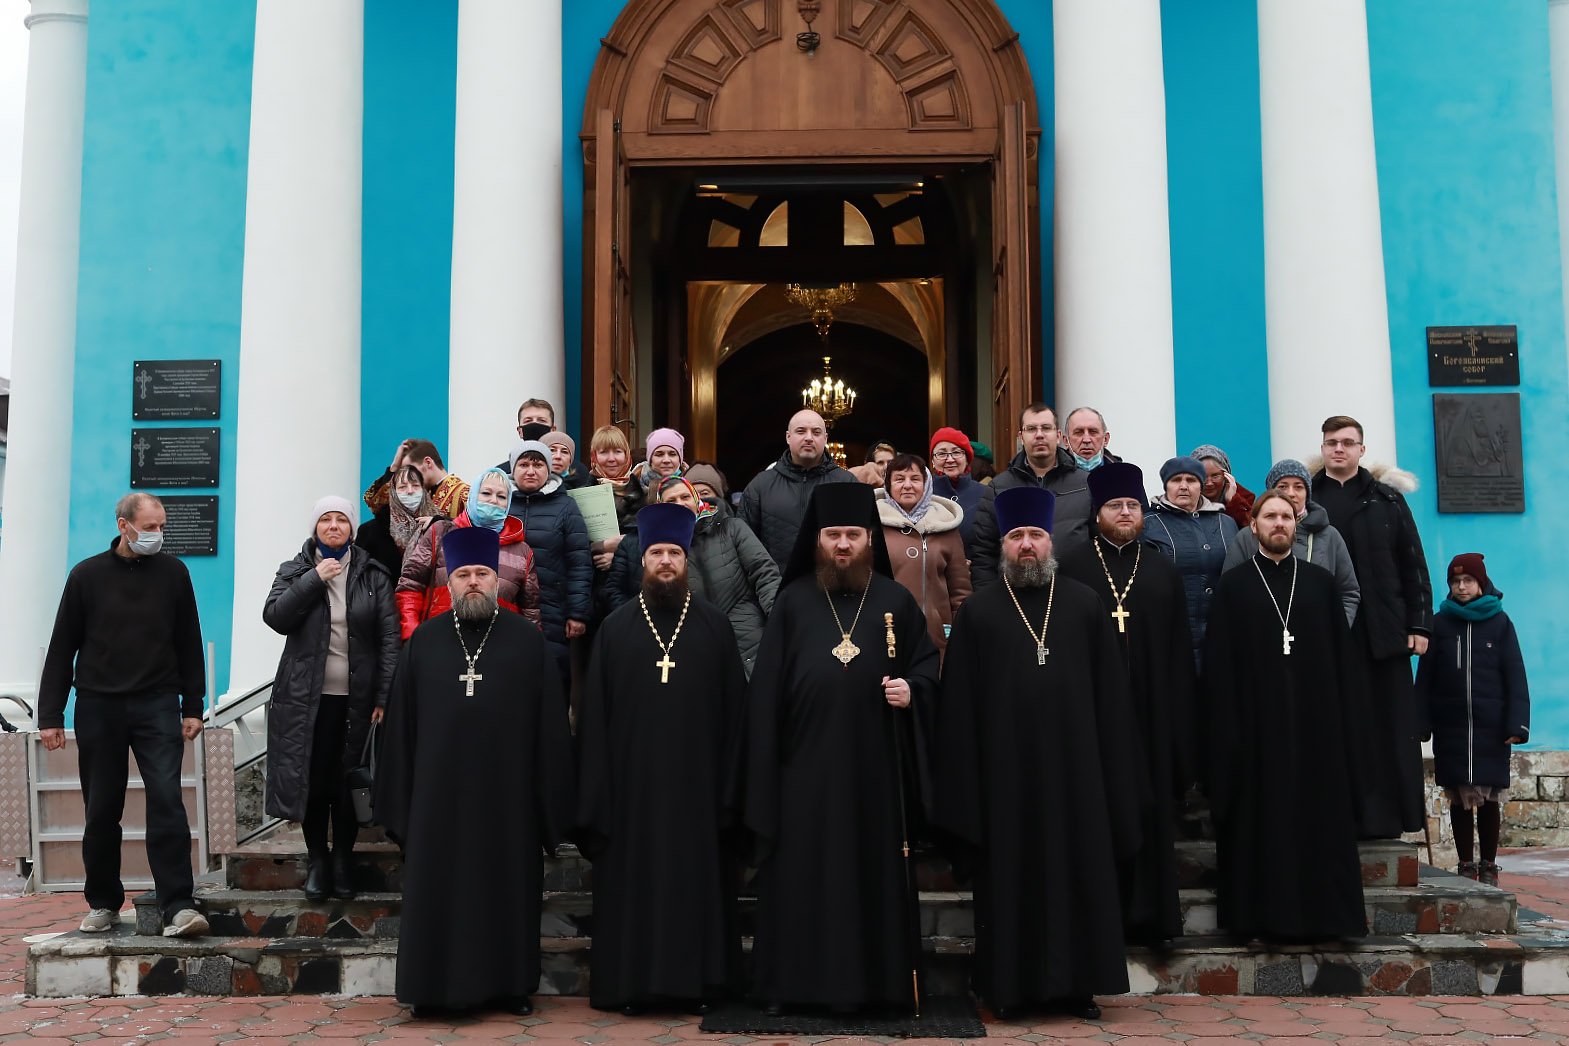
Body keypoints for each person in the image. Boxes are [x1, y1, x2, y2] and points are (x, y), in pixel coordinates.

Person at [931, 486, 1141, 1020]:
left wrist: (1113, 774)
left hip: (1078, 777)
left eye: (1036, 536)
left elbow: (1111, 699)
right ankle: (1009, 991)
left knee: (1079, 877)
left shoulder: (1084, 604)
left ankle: (1079, 988)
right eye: (1017, 536)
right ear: (1003, 545)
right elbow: (959, 712)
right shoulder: (978, 612)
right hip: (1006, 782)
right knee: (1012, 883)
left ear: (1052, 543)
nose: (1027, 545)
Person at [746, 483, 940, 1015]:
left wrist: (912, 691)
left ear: (869, 540)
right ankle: (791, 989)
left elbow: (925, 668)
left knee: (871, 879)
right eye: (834, 535)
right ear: (818, 540)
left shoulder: (895, 600)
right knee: (801, 879)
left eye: (853, 535)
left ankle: (879, 988)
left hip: (876, 773)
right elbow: (766, 693)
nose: (843, 545)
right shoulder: (792, 602)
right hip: (802, 774)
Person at [375, 526, 576, 1019]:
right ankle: (431, 989)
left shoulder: (528, 643)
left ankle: (509, 986)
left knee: (506, 888)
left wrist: (548, 802)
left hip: (507, 800)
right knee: (436, 891)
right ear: (446, 581)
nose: (471, 583)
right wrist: (399, 803)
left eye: (481, 574)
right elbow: (401, 729)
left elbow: (550, 729)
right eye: (462, 574)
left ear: (498, 580)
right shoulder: (423, 641)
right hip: (436, 800)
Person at [576, 504, 748, 1014]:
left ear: (687, 558)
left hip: (699, 793)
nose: (667, 561)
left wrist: (728, 792)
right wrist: (598, 794)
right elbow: (593, 720)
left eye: (675, 552)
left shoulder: (716, 628)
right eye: (657, 553)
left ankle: (700, 985)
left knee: (697, 889)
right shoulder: (615, 629)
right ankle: (634, 986)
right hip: (631, 797)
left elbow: (736, 716)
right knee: (635, 890)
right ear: (643, 560)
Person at [38, 493, 209, 938]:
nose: (157, 534)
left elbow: (190, 641)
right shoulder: (87, 576)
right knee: (101, 810)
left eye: (161, 527)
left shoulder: (174, 573)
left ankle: (178, 904)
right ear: (124, 525)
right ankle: (103, 902)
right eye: (150, 526)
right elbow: (62, 647)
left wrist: (194, 705)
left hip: (157, 703)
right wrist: (50, 714)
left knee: (167, 800)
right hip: (98, 705)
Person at [1202, 492, 1366, 942]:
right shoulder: (1234, 586)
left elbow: (1341, 663)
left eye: (1287, 517)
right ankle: (1260, 921)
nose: (1279, 523)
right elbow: (1220, 667)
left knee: (1319, 823)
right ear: (1252, 526)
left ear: (1297, 525)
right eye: (1270, 516)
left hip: (1316, 732)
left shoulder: (1319, 583)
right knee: (1262, 824)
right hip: (1256, 733)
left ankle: (1327, 920)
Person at [1058, 463, 1195, 945]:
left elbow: (1179, 651)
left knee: (1150, 813)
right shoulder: (1071, 566)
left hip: (1151, 717)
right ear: (1097, 513)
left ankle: (1150, 917)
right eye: (1115, 506)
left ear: (1143, 512)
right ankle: (1099, 920)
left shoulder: (1161, 568)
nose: (1124, 513)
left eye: (1132, 506)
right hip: (1091, 719)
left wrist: (1181, 724)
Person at [262, 497, 399, 901]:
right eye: (326, 519)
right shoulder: (296, 570)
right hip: (307, 700)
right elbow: (276, 617)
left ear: (353, 529)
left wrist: (384, 694)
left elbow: (388, 639)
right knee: (314, 781)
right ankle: (317, 860)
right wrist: (314, 579)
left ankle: (343, 859)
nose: (334, 526)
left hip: (356, 700)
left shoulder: (373, 574)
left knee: (348, 782)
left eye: (342, 519)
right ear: (315, 528)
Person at [1311, 414, 1432, 838]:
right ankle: (1336, 813)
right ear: (1323, 448)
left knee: (1386, 727)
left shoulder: (1387, 500)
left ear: (1362, 449)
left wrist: (1420, 625)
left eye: (1347, 442)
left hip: (1383, 631)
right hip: (1327, 629)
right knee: (1337, 722)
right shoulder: (1306, 500)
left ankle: (1388, 819)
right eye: (1331, 442)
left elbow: (1412, 563)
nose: (1338, 449)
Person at [1416, 554, 1529, 887]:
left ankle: (1490, 865)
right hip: (1451, 727)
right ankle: (1466, 864)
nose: (1461, 587)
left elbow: (1516, 677)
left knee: (1490, 797)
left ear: (1481, 583)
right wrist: (1419, 723)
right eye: (1455, 581)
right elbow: (1425, 680)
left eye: (1468, 581)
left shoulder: (1501, 623)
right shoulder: (1440, 624)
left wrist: (1517, 724)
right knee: (1460, 797)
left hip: (1491, 727)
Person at [602, 476, 780, 676]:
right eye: (671, 501)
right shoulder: (664, 552)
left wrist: (778, 619)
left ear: (696, 499)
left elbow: (764, 573)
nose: (680, 504)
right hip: (694, 639)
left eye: (685, 496)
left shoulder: (731, 528)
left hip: (749, 636)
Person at [396, 468, 541, 639]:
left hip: (498, 645)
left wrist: (530, 647)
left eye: (501, 496)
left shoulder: (522, 551)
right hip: (440, 640)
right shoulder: (441, 532)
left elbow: (530, 610)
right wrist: (412, 635)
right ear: (472, 496)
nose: (493, 501)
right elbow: (410, 586)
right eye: (486, 493)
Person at [1223, 459, 1359, 627]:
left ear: (1307, 493)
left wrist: (1336, 631)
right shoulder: (1247, 536)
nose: (1291, 493)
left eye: (1298, 486)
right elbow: (1229, 590)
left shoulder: (1330, 536)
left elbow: (1348, 592)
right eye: (1283, 486)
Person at [977, 403, 1095, 584]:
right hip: (1015, 598)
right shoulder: (998, 488)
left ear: (1058, 436)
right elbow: (983, 553)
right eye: (1031, 429)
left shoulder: (1086, 484)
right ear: (1021, 437)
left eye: (1046, 428)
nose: (1039, 434)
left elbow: (1100, 546)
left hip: (1077, 593)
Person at [509, 440, 593, 688]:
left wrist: (577, 613)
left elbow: (579, 560)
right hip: (507, 606)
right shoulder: (500, 502)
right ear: (513, 469)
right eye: (523, 464)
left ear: (548, 470)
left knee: (553, 678)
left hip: (552, 609)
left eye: (538, 464)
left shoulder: (565, 505)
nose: (531, 471)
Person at [1144, 456, 1238, 660]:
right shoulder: (1149, 524)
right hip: (1171, 638)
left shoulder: (1226, 523)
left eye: (1191, 480)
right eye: (1176, 480)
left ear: (1201, 485)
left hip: (1220, 636)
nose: (1184, 486)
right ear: (1166, 485)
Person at [877, 453, 971, 655]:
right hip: (885, 631)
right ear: (888, 485)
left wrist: (960, 629)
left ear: (927, 484)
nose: (907, 485)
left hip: (936, 634)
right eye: (899, 479)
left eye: (915, 479)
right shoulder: (873, 525)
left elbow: (960, 591)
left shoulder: (945, 525)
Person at [739, 408, 856, 569]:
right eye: (801, 431)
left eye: (816, 432)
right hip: (776, 589)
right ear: (788, 437)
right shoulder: (760, 486)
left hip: (832, 587)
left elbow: (862, 542)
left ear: (825, 438)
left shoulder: (847, 483)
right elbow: (742, 545)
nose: (808, 438)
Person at [928, 426, 996, 565]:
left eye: (956, 452)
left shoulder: (986, 494)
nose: (950, 459)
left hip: (977, 578)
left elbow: (993, 543)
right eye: (941, 454)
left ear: (967, 458)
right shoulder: (922, 494)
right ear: (933, 461)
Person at [355, 463, 436, 576]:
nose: (410, 491)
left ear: (424, 490)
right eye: (402, 487)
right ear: (393, 492)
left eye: (416, 485)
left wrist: (437, 523)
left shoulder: (437, 524)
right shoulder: (370, 531)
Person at [363, 439, 468, 520]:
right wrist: (394, 468)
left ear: (428, 462)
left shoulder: (464, 494)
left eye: (411, 470)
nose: (407, 476)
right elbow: (376, 506)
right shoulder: (418, 495)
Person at [1190, 444, 1255, 528]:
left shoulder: (1246, 502)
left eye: (1215, 476)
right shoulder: (1184, 503)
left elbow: (1250, 532)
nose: (1209, 483)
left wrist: (1234, 502)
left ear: (1226, 476)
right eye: (1203, 477)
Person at [633, 427, 688, 498]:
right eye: (659, 454)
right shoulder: (632, 483)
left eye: (672, 454)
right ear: (650, 459)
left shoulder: (691, 483)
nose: (666, 460)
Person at [1063, 407, 1119, 472]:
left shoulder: (1122, 475)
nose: (1086, 440)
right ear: (1066, 441)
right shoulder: (1053, 477)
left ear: (1105, 439)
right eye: (1078, 432)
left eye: (1093, 432)